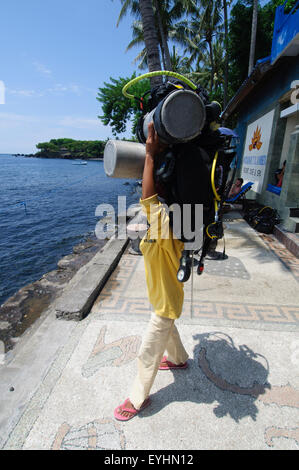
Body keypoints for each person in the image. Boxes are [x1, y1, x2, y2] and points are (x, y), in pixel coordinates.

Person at [114, 122, 189, 421]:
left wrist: (149, 155)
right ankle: (180, 359)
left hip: (165, 303)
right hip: (165, 298)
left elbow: (147, 198)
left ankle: (137, 398)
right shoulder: (171, 222)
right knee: (168, 328)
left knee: (148, 351)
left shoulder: (163, 225)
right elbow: (149, 201)